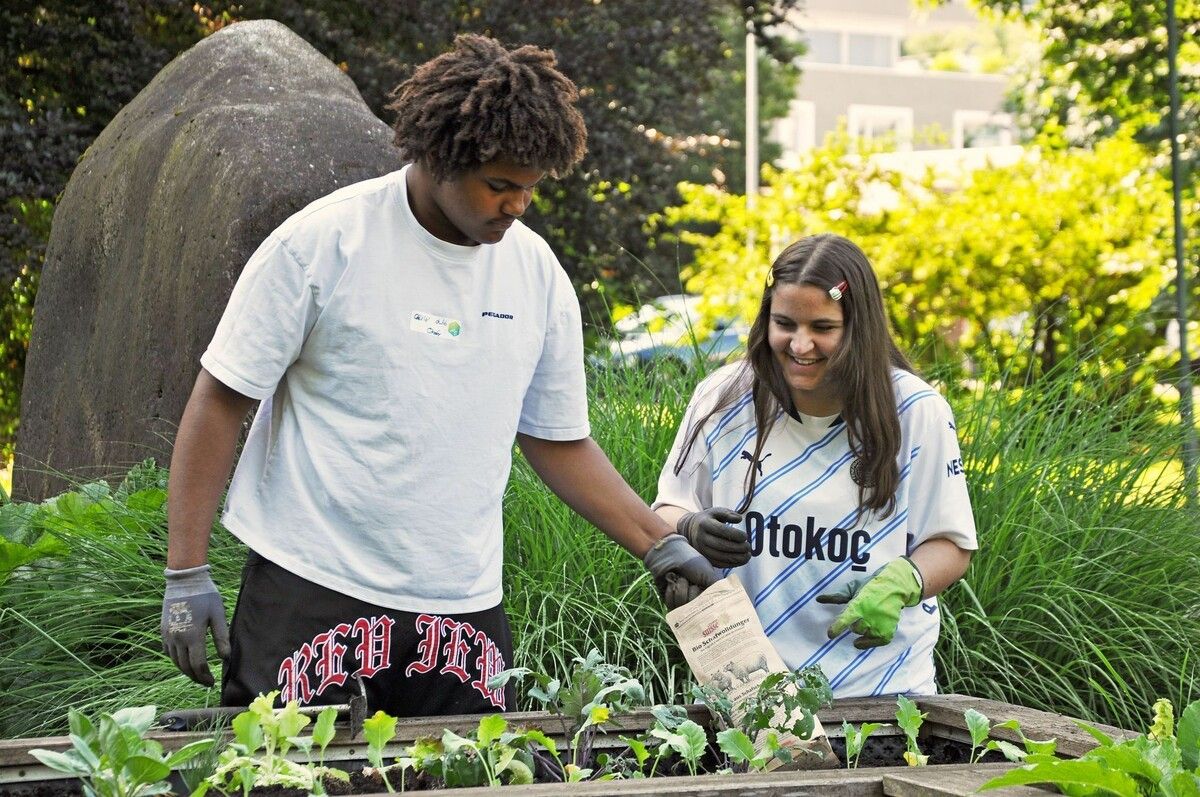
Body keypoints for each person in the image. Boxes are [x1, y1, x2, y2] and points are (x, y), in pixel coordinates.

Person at [160, 33, 716, 718]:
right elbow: (220, 399)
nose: (517, 205)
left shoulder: (536, 274)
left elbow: (557, 441)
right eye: (500, 184)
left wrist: (657, 543)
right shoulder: (325, 243)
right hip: (311, 587)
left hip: (461, 606)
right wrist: (185, 570)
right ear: (440, 156)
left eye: (531, 188)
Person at [653, 233, 977, 697]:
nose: (800, 345)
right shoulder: (721, 398)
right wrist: (688, 526)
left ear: (858, 328)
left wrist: (908, 580)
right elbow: (665, 509)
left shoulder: (916, 411)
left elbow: (950, 543)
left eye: (823, 328)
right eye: (784, 323)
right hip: (747, 689)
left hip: (882, 689)